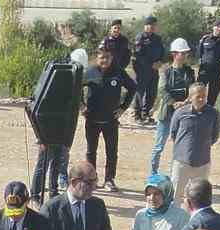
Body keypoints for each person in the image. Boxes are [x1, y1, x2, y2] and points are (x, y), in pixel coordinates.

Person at [32, 47, 83, 205]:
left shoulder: (68, 79)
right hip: (49, 131)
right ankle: (36, 193)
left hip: (60, 130)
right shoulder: (58, 79)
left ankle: (53, 192)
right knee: (44, 163)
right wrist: (40, 137)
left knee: (56, 162)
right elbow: (41, 109)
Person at [83, 47, 136, 192]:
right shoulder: (90, 72)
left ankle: (109, 180)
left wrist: (123, 108)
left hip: (111, 120)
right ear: (97, 58)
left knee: (111, 151)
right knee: (91, 151)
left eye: (107, 57)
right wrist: (81, 106)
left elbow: (132, 87)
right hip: (92, 119)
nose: (104, 60)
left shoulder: (118, 72)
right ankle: (91, 179)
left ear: (111, 58)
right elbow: (76, 88)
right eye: (102, 57)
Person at [149, 40, 195, 176]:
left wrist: (185, 102)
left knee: (180, 145)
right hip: (167, 113)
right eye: (183, 53)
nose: (185, 55)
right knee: (159, 146)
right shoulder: (166, 71)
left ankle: (175, 172)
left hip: (183, 113)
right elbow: (162, 90)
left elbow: (193, 88)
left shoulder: (189, 71)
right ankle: (153, 172)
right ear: (175, 54)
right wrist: (174, 103)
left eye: (186, 53)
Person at [168, 85, 219, 200]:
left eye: (204, 96)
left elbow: (215, 136)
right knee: (175, 195)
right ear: (190, 97)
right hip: (182, 162)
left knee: (199, 197)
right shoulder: (180, 113)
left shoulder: (213, 113)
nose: (201, 99)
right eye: (198, 96)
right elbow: (173, 133)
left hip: (203, 162)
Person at [132, 16, 165, 125]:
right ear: (145, 26)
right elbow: (138, 56)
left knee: (152, 92)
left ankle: (146, 114)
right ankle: (137, 115)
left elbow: (162, 52)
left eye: (153, 25)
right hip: (142, 70)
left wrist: (160, 61)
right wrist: (151, 64)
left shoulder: (157, 38)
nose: (151, 27)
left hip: (154, 70)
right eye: (149, 25)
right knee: (140, 92)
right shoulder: (140, 38)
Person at [195, 20, 220, 113]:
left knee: (213, 93)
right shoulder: (205, 39)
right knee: (198, 91)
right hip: (204, 71)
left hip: (218, 71)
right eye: (218, 26)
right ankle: (196, 110)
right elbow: (199, 54)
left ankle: (207, 112)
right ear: (213, 27)